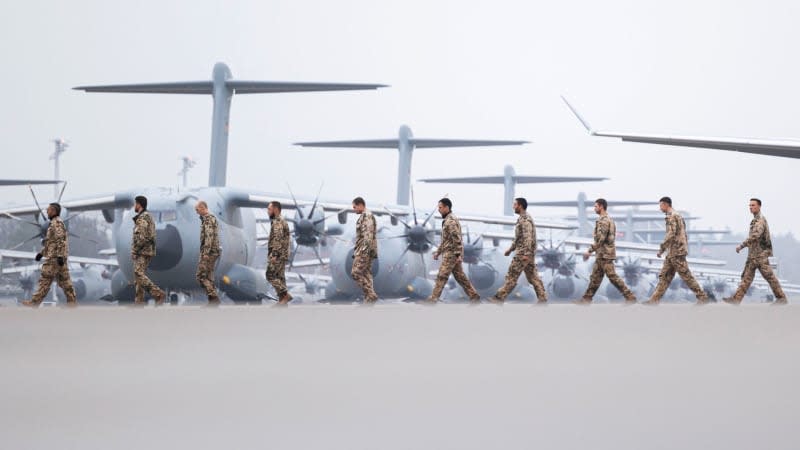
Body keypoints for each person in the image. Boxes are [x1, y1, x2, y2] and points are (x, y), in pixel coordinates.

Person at [643, 197, 709, 305]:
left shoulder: (672, 216)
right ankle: (654, 300)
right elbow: (683, 233)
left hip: (676, 252)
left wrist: (662, 248)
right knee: (664, 276)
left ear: (666, 204)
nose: (660, 209)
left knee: (686, 276)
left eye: (661, 206)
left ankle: (702, 297)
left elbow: (671, 234)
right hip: (673, 252)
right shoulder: (677, 215)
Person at [723, 198, 788, 305]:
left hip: (761, 256)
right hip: (753, 256)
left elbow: (755, 236)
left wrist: (741, 246)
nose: (751, 207)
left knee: (770, 277)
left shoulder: (760, 221)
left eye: (753, 205)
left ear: (759, 206)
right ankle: (736, 299)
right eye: (749, 205)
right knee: (746, 278)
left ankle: (781, 299)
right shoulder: (755, 220)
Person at [576, 198, 636, 304]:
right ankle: (586, 299)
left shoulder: (604, 221)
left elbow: (601, 239)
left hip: (605, 255)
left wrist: (589, 251)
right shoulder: (607, 220)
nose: (594, 208)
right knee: (595, 278)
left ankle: (630, 296)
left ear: (601, 206)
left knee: (613, 277)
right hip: (602, 254)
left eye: (595, 206)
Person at [490, 197, 547, 305]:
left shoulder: (525, 220)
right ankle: (542, 299)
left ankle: (499, 298)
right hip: (525, 253)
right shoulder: (522, 219)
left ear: (520, 206)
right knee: (533, 278)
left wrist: (526, 254)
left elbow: (528, 237)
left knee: (512, 276)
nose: (513, 207)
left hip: (523, 254)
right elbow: (518, 239)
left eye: (515, 205)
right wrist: (510, 249)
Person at [21, 203, 78, 307]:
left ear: (54, 212)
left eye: (49, 210)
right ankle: (35, 302)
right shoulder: (51, 225)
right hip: (53, 257)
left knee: (57, 281)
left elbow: (61, 240)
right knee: (49, 281)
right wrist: (41, 253)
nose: (47, 212)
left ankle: (71, 303)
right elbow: (49, 242)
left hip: (56, 258)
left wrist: (60, 256)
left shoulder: (57, 224)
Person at [427, 198, 480, 304]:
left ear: (447, 208)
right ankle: (474, 296)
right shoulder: (448, 220)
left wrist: (458, 254)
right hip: (451, 253)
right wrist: (438, 252)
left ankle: (433, 299)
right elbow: (446, 240)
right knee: (460, 277)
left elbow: (456, 238)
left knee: (442, 275)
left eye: (440, 207)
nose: (439, 210)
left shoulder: (450, 221)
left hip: (452, 254)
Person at [131, 195, 166, 306]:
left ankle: (158, 294)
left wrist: (135, 250)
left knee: (138, 273)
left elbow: (141, 236)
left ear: (139, 204)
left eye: (135, 204)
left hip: (143, 251)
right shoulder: (146, 216)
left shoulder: (143, 218)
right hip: (145, 250)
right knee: (138, 276)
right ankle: (139, 302)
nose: (134, 206)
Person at [351, 196, 378, 304]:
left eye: (355, 207)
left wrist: (363, 252)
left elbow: (368, 236)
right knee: (366, 274)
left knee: (355, 273)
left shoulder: (367, 217)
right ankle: (369, 300)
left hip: (365, 250)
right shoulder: (365, 216)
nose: (354, 210)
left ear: (361, 205)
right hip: (366, 250)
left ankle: (371, 295)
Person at [266, 201, 292, 305]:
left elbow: (277, 238)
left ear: (275, 209)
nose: (268, 211)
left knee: (270, 275)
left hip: (278, 255)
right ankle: (283, 301)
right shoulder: (282, 221)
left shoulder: (277, 222)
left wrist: (274, 254)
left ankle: (285, 295)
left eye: (269, 209)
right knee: (280, 277)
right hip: (283, 254)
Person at [195, 200, 221, 306]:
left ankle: (214, 297)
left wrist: (206, 252)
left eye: (197, 210)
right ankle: (212, 301)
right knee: (209, 277)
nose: (196, 212)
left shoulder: (208, 220)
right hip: (212, 251)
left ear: (202, 208)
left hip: (209, 253)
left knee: (201, 276)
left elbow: (209, 237)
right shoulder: (209, 219)